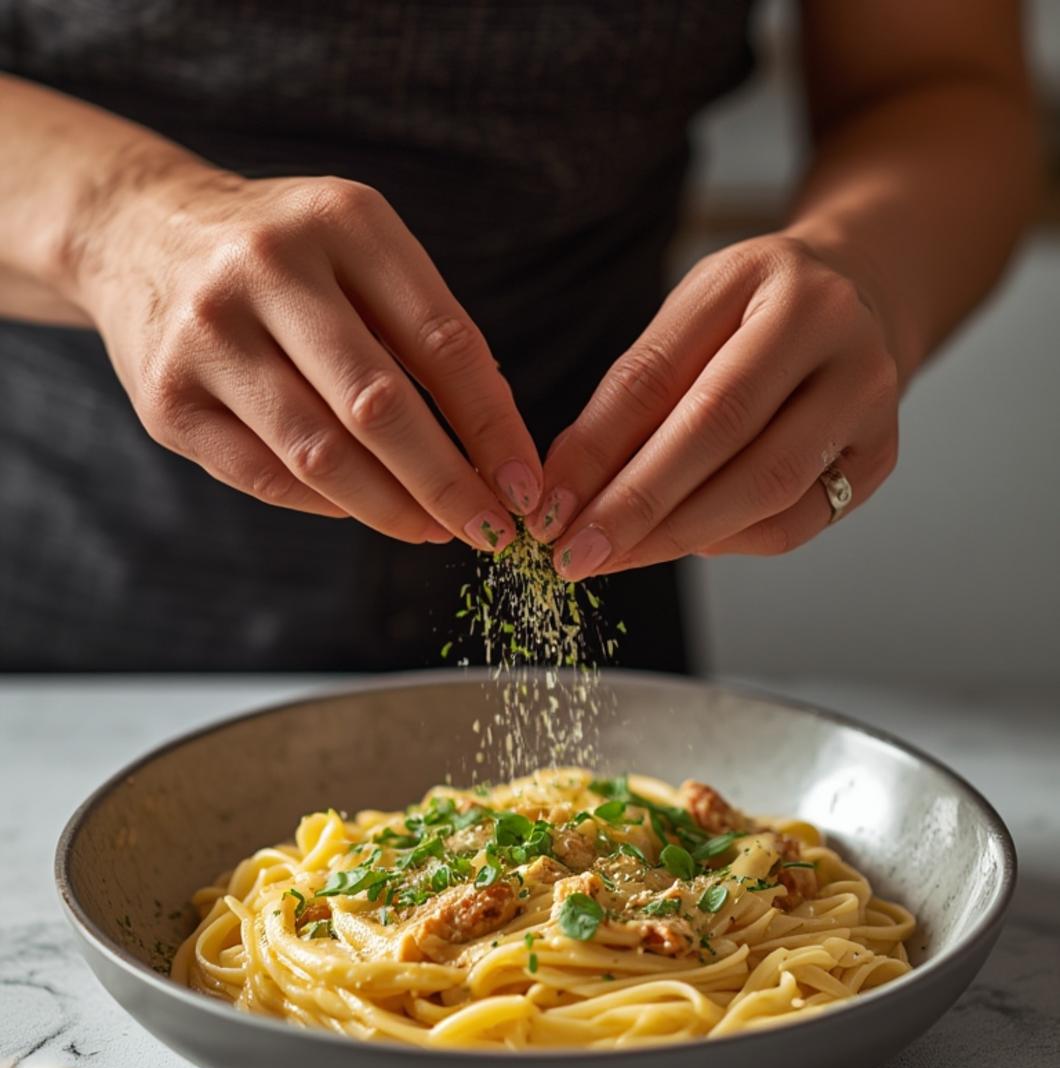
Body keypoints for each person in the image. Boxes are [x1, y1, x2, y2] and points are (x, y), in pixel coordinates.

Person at [0, 2, 1038, 672]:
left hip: (598, 551)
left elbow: (939, 84)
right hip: (76, 603)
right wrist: (113, 216)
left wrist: (870, 275)